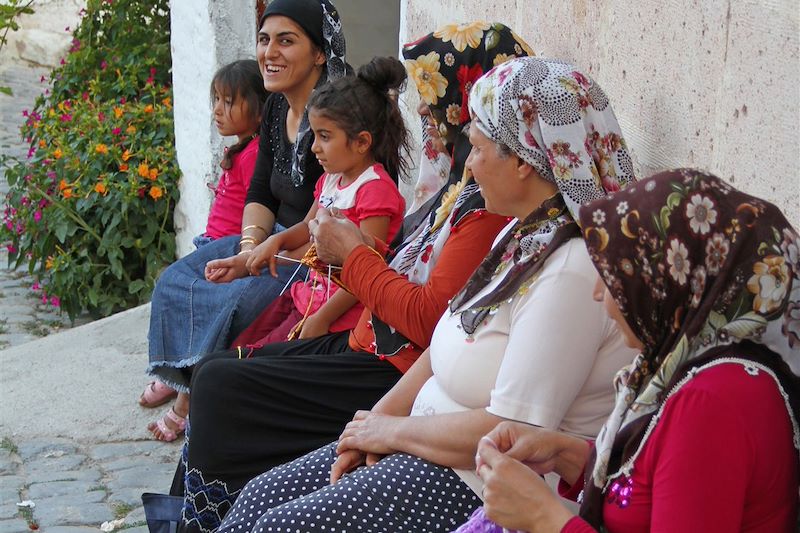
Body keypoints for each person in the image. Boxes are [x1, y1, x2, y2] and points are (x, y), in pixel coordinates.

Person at [217, 55, 638, 533]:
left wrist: (391, 431)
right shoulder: (522, 236)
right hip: (423, 442)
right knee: (259, 497)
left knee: (281, 526)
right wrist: (369, 427)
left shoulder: (571, 271)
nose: (469, 167)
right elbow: (442, 341)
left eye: (477, 150)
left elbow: (508, 434)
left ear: (523, 161)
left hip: (475, 484)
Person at [176, 23, 530, 533]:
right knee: (213, 373)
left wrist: (349, 260)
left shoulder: (486, 208)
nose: (428, 120)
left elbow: (430, 319)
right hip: (382, 358)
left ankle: (202, 522)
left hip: (389, 363)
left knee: (223, 388)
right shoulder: (455, 188)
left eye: (438, 105)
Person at [466, 170, 800, 532]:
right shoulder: (699, 368)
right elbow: (654, 484)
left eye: (614, 280)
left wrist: (543, 516)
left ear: (664, 284)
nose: (598, 293)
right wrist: (565, 454)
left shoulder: (711, 404)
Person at [143, 0, 348, 442]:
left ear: (318, 53)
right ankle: (185, 381)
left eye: (286, 40)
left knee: (234, 303)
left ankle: (198, 396)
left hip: (308, 253)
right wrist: (247, 245)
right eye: (263, 39)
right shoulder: (276, 108)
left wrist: (262, 254)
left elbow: (330, 216)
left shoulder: (336, 117)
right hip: (266, 238)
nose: (269, 52)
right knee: (175, 282)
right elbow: (259, 192)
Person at [232, 56, 408, 344]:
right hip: (309, 299)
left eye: (324, 136)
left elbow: (367, 268)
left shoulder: (375, 190)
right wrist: (274, 242)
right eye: (314, 135)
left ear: (362, 142)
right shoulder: (331, 179)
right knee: (241, 348)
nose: (314, 147)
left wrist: (322, 319)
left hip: (340, 319)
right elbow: (306, 226)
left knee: (253, 364)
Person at [138, 59, 267, 411]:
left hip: (229, 252)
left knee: (201, 316)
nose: (217, 111)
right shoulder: (241, 148)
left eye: (229, 102)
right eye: (216, 101)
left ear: (259, 111)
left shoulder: (257, 153)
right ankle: (172, 370)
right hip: (210, 244)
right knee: (176, 300)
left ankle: (185, 393)